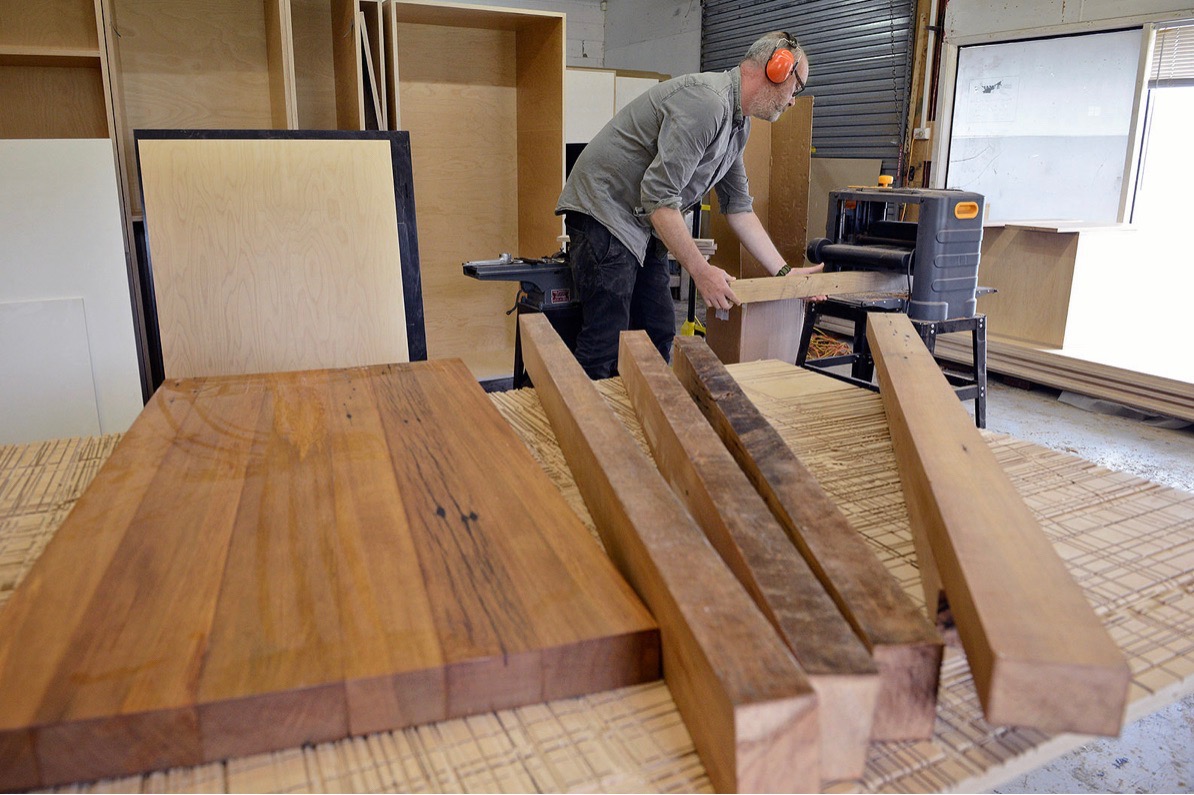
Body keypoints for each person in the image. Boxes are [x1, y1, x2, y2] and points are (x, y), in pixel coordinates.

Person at [556, 31, 822, 379]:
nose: (792, 101)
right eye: (796, 87)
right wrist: (701, 272)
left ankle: (640, 419)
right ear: (777, 69)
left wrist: (784, 272)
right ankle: (586, 426)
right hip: (605, 211)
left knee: (657, 329)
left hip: (641, 223)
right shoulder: (706, 103)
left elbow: (738, 207)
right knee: (606, 337)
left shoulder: (738, 126)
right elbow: (659, 197)